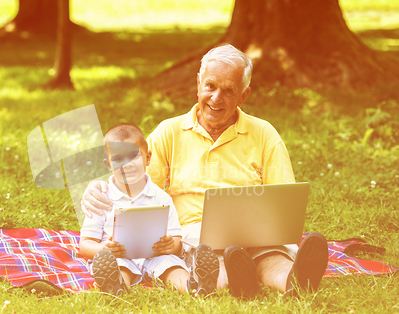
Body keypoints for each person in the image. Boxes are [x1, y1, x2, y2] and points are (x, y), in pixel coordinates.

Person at [81, 45, 328, 298]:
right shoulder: (169, 132)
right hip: (196, 235)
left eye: (228, 90)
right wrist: (99, 187)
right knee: (213, 257)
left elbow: (283, 200)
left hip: (257, 233)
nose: (216, 98)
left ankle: (294, 280)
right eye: (210, 86)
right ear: (198, 83)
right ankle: (237, 279)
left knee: (272, 253)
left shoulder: (265, 133)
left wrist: (271, 231)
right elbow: (134, 183)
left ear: (243, 96)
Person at [79, 123, 219, 296]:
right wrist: (104, 250)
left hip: (155, 255)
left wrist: (170, 245)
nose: (127, 165)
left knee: (171, 265)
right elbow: (85, 244)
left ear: (148, 158)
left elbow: (176, 241)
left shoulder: (161, 197)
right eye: (118, 159)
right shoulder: (102, 198)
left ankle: (195, 286)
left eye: (133, 156)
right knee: (119, 266)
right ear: (108, 165)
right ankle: (116, 287)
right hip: (118, 257)